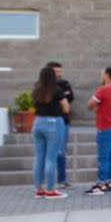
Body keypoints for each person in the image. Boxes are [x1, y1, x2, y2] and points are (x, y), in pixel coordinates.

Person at [31, 66, 70, 199]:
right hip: (54, 123)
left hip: (37, 123)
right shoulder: (57, 90)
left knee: (39, 158)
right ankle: (50, 190)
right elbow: (66, 107)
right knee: (51, 158)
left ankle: (38, 189)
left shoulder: (36, 90)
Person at [84, 67, 111, 195]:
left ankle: (100, 185)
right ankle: (108, 182)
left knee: (103, 158)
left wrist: (96, 107)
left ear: (106, 75)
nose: (100, 76)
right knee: (110, 156)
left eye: (101, 74)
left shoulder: (103, 90)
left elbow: (90, 105)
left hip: (105, 127)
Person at [46, 61, 74, 189]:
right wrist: (62, 98)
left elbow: (71, 97)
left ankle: (62, 180)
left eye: (60, 72)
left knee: (61, 152)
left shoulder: (64, 83)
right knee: (48, 153)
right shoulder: (43, 86)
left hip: (63, 122)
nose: (59, 74)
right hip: (48, 122)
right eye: (56, 72)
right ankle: (47, 182)